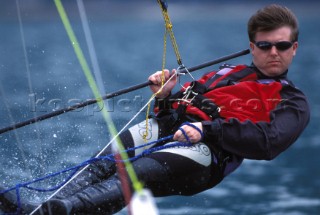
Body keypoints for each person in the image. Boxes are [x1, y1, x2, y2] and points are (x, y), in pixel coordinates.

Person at [0, 4, 310, 215]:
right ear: (252, 46)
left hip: (207, 153)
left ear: (294, 48)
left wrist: (207, 129)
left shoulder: (292, 101)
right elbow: (167, 116)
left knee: (132, 175)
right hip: (170, 133)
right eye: (266, 45)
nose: (274, 53)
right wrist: (164, 97)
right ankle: (46, 207)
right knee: (103, 163)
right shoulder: (223, 73)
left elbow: (269, 143)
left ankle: (50, 212)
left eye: (282, 46)